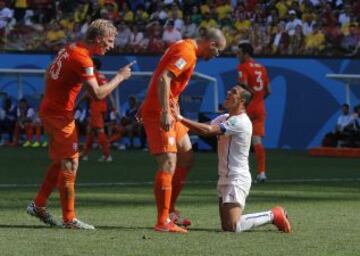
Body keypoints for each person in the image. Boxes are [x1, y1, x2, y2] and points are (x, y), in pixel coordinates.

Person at [26, 19, 134, 229]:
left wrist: (54, 96)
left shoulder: (71, 47)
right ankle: (69, 219)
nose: (111, 46)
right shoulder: (83, 59)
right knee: (70, 163)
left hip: (55, 111)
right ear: (99, 39)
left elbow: (49, 70)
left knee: (60, 162)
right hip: (59, 115)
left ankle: (38, 205)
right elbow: (98, 93)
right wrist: (120, 77)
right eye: (110, 41)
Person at [140, 28, 226, 233]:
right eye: (218, 51)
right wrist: (162, 111)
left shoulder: (184, 46)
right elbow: (164, 78)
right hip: (163, 111)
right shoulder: (187, 52)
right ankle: (163, 221)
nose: (217, 56)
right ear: (211, 44)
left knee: (186, 157)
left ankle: (169, 211)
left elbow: (161, 76)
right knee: (168, 162)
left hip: (169, 108)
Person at [174, 84, 291, 234]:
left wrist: (179, 118)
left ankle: (274, 215)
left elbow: (208, 131)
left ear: (242, 101)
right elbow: (201, 128)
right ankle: (273, 215)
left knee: (234, 226)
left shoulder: (239, 121)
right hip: (225, 177)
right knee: (227, 226)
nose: (228, 92)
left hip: (237, 178)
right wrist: (173, 122)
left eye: (234, 92)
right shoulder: (225, 117)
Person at [237, 41, 271, 183]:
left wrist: (247, 101)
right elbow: (268, 91)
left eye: (239, 53)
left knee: (238, 139)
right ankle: (261, 173)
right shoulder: (261, 68)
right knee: (256, 141)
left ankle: (239, 173)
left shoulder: (243, 67)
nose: (237, 56)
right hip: (260, 107)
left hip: (248, 108)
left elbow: (243, 86)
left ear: (245, 53)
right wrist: (258, 99)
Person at [81, 58, 116, 162]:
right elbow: (108, 90)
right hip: (102, 105)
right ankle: (85, 154)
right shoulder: (102, 76)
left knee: (99, 130)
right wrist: (113, 105)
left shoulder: (93, 75)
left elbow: (89, 92)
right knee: (90, 131)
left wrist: (77, 103)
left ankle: (107, 155)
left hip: (96, 104)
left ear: (94, 65)